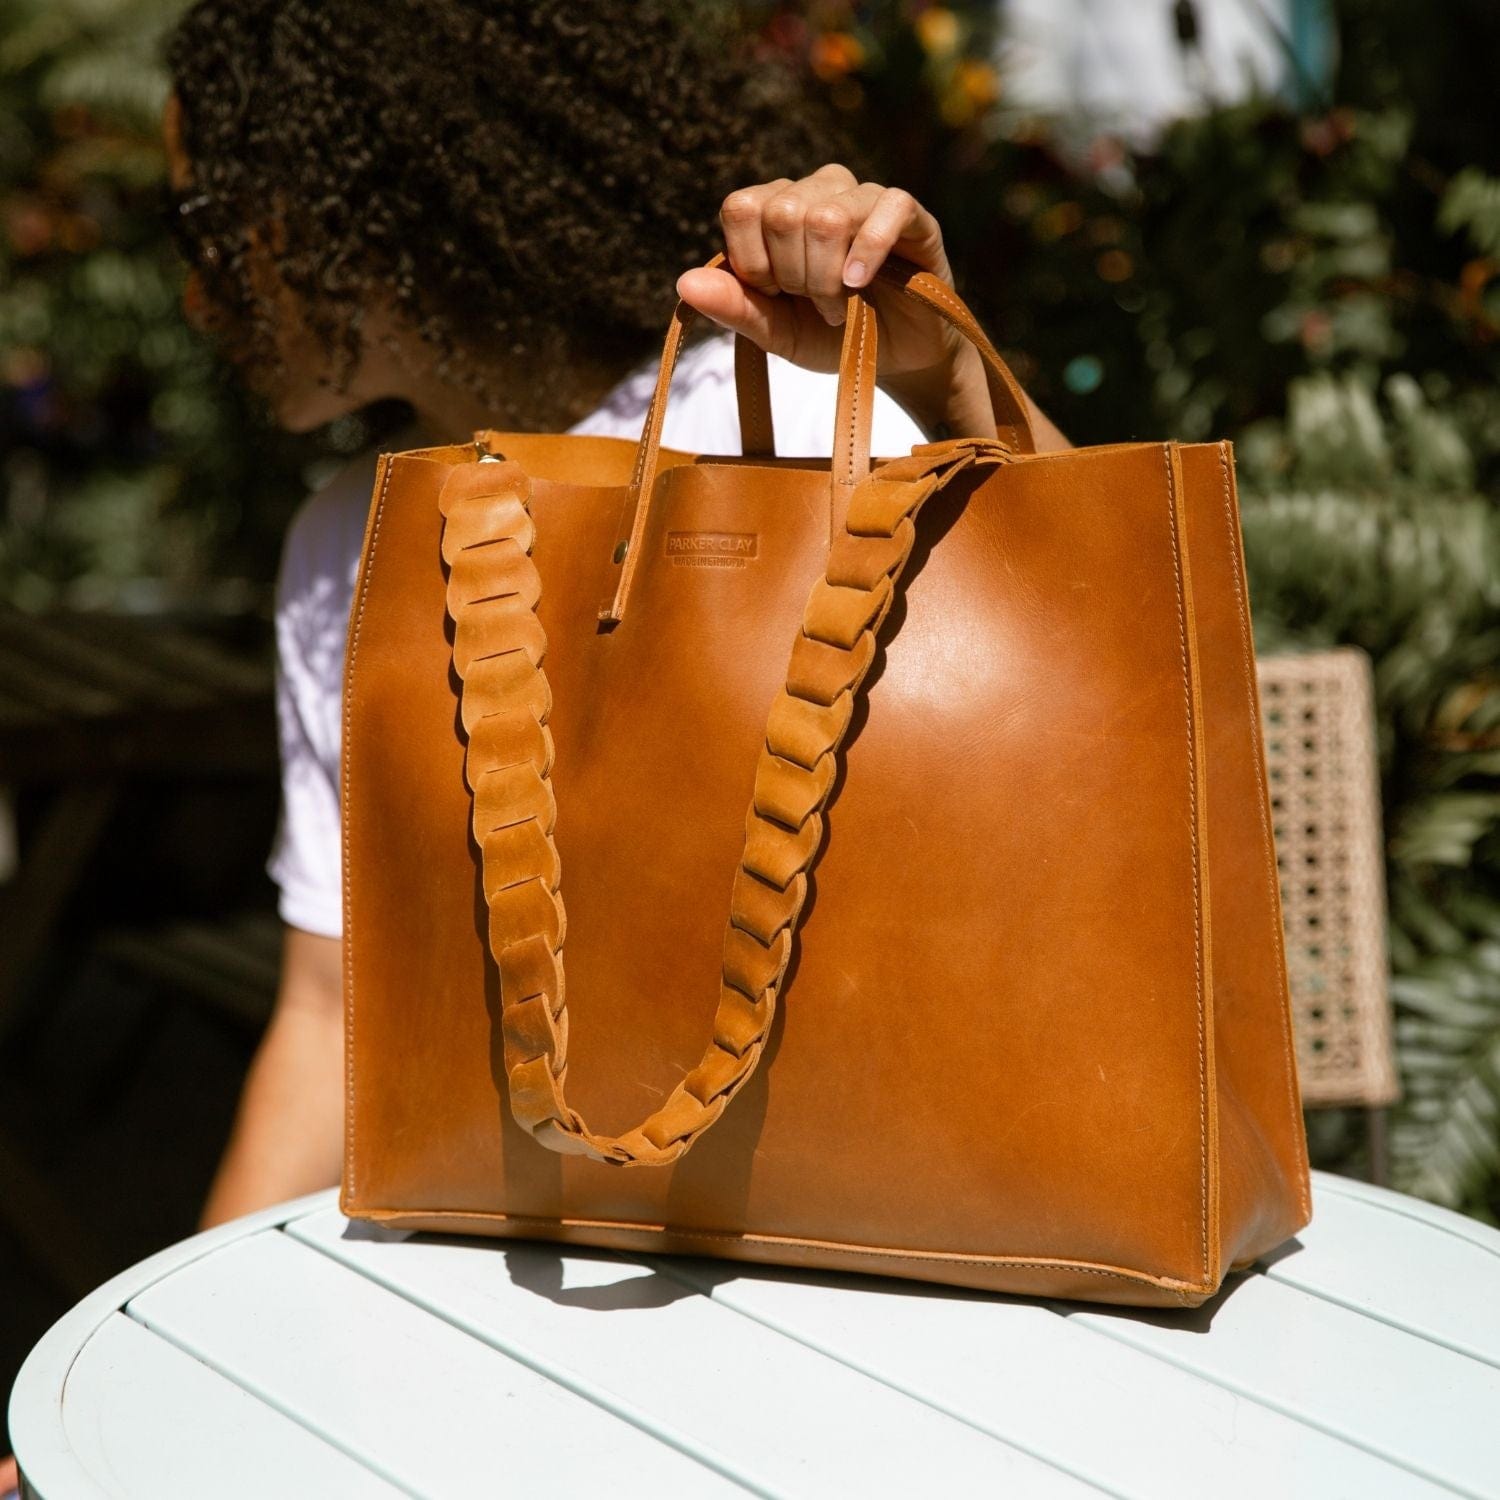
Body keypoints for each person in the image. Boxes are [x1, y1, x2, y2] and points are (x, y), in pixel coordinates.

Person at [158, 0, 1069, 1232]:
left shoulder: (790, 413)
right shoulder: (349, 550)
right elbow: (329, 1006)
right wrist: (179, 1316)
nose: (196, 292)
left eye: (209, 224)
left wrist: (945, 377)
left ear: (354, 196)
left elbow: (1106, 683)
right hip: (554, 1237)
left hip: (916, 1197)